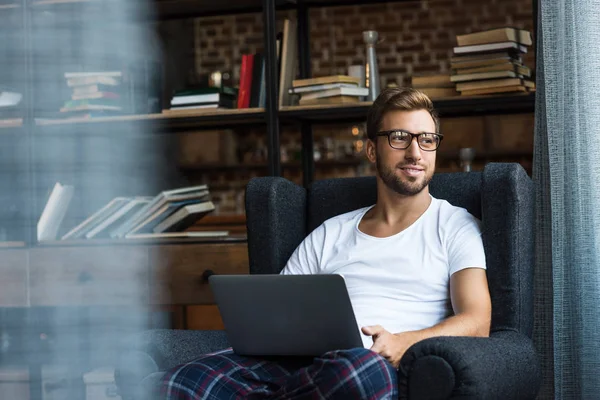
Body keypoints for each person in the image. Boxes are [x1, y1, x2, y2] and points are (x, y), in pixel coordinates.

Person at [160, 87, 492, 400]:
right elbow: (276, 310)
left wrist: (405, 342)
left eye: (427, 139)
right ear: (372, 149)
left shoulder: (455, 226)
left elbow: (477, 321)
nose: (415, 152)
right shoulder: (331, 232)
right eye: (399, 137)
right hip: (298, 368)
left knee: (357, 374)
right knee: (179, 381)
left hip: (373, 366)